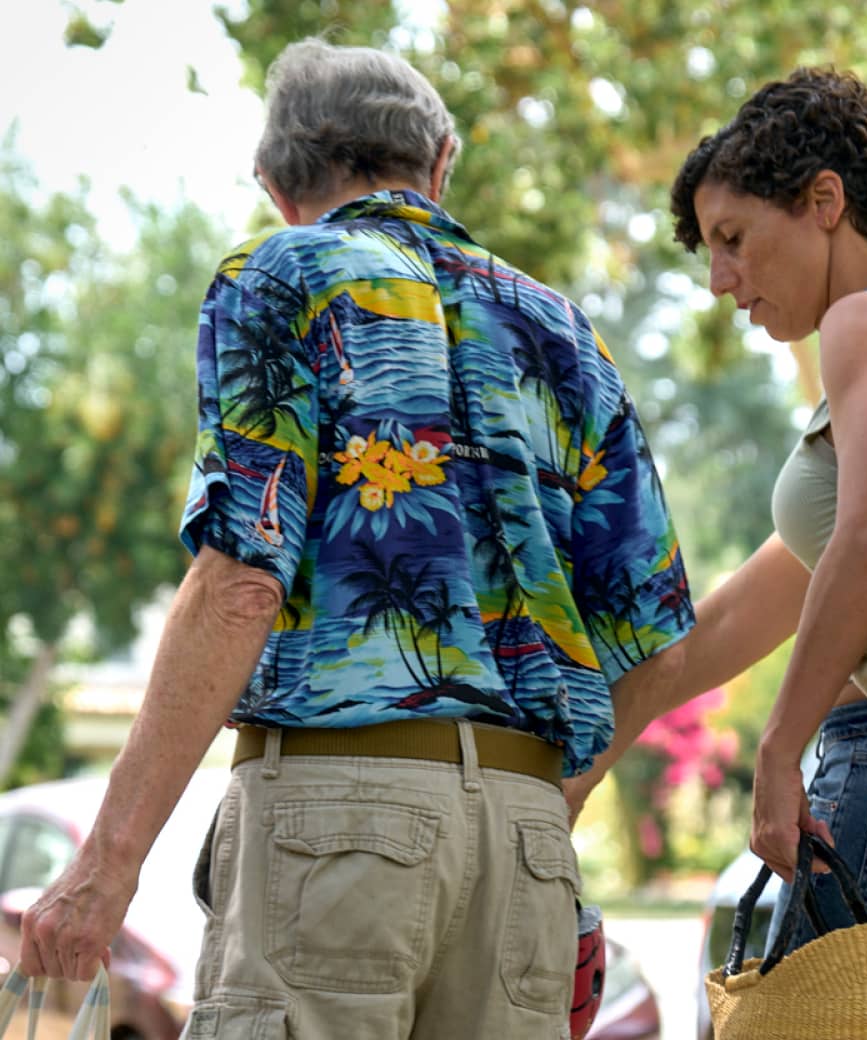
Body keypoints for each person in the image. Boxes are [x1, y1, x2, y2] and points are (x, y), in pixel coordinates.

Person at [18, 39, 695, 1040]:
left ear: (274, 184)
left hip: (335, 820)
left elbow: (243, 581)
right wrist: (544, 803)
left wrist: (105, 863)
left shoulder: (281, 275)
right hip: (526, 845)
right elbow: (656, 636)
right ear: (442, 161)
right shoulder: (560, 329)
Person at [572, 66, 867, 1039]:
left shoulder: (864, 320)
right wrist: (575, 779)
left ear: (824, 202)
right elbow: (725, 627)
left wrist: (777, 749)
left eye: (734, 238)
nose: (720, 279)